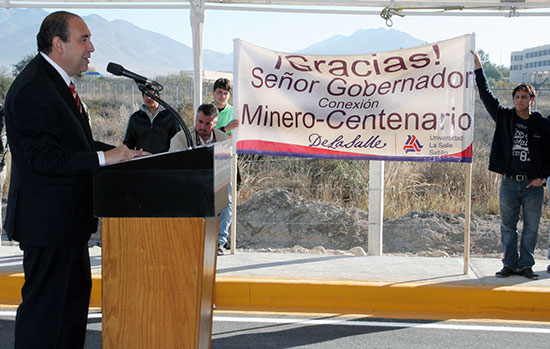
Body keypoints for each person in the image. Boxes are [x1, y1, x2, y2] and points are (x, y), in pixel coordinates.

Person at [4, 11, 146, 348]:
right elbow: (42, 158)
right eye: (84, 39)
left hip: (67, 224)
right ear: (57, 43)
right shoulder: (33, 88)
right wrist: (104, 158)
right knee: (46, 318)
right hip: (48, 225)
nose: (91, 48)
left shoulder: (56, 83)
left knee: (69, 313)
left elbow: (73, 145)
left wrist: (122, 153)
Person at [472, 50, 550, 280]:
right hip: (509, 182)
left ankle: (526, 266)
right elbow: (486, 94)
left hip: (533, 185)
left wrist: (542, 177)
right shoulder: (504, 117)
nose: (519, 100)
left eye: (524, 97)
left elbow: (549, 155)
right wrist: (479, 69)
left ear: (531, 101)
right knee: (508, 227)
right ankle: (509, 264)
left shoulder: (541, 124)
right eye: (517, 97)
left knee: (531, 228)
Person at [169, 103, 231, 255]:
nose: (202, 126)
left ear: (215, 123)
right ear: (196, 119)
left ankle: (219, 243)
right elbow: (172, 166)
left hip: (213, 179)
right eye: (200, 122)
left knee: (227, 197)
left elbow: (225, 169)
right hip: (188, 182)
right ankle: (187, 239)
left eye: (207, 123)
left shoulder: (222, 138)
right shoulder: (181, 137)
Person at [123, 85, 180, 154]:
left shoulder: (170, 117)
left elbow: (177, 141)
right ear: (143, 97)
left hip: (164, 160)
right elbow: (128, 143)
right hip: (142, 160)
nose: (149, 98)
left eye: (151, 95)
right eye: (146, 95)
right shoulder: (135, 118)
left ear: (159, 97)